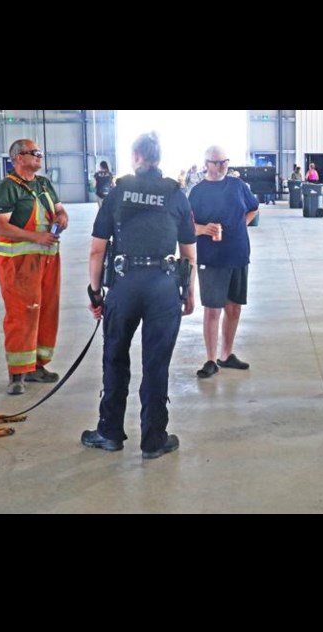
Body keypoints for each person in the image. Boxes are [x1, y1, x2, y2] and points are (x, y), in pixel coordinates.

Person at [81, 132, 196, 459]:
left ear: (135, 156)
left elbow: (96, 250)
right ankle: (153, 439)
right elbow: (189, 252)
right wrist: (188, 292)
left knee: (114, 359)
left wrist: (95, 293)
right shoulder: (176, 193)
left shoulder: (118, 192)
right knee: (156, 364)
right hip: (163, 286)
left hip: (124, 283)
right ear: (159, 158)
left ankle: (110, 433)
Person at [0, 139, 69, 395]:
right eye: (33, 153)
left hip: (48, 259)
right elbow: (0, 226)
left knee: (47, 312)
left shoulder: (44, 184)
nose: (39, 156)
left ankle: (37, 365)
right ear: (18, 158)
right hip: (19, 263)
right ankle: (17, 374)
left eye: (39, 152)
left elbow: (59, 210)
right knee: (22, 314)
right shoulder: (7, 188)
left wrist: (62, 219)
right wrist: (37, 237)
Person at [188, 145, 259, 378]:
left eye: (225, 162)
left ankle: (226, 354)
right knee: (212, 310)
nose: (221, 167)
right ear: (206, 163)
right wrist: (202, 229)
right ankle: (210, 359)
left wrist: (242, 225)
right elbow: (186, 225)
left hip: (238, 254)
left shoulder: (238, 186)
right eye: (216, 162)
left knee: (234, 307)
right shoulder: (197, 192)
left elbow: (254, 208)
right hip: (211, 258)